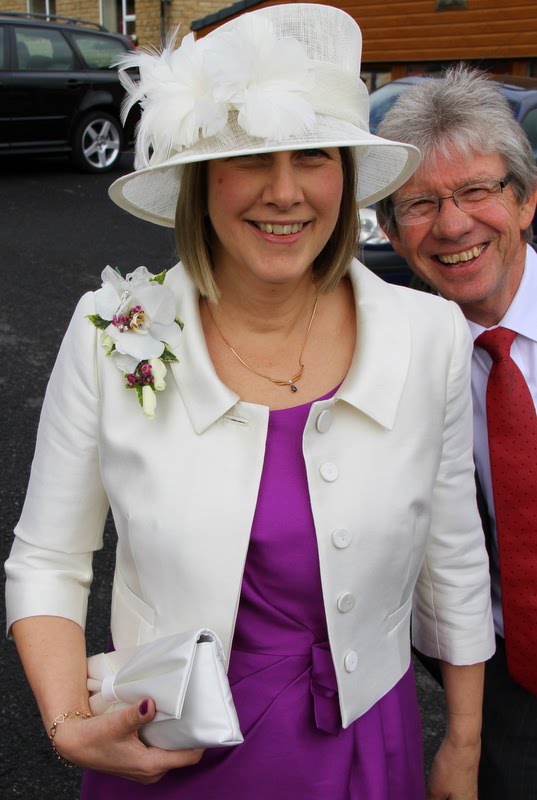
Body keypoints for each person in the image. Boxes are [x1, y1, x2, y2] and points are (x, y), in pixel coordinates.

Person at [4, 7, 495, 799]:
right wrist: (68, 725)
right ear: (201, 177)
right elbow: (47, 558)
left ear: (344, 169)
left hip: (369, 753)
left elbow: (452, 559)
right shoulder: (108, 333)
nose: (285, 191)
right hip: (166, 758)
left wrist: (462, 748)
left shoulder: (427, 334)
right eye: (252, 157)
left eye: (312, 155)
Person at [376, 65, 537, 800]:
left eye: (476, 190)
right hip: (500, 675)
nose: (451, 224)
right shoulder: (378, 357)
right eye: (418, 203)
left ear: (526, 197)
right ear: (385, 229)